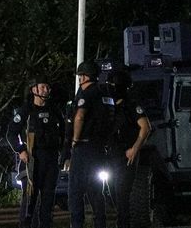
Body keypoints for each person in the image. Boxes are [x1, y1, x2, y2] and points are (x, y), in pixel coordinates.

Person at [6, 75, 65, 228]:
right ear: (34, 89)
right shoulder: (25, 110)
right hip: (32, 159)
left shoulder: (54, 110)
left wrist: (65, 153)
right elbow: (11, 133)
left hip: (51, 159)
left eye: (48, 87)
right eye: (43, 87)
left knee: (48, 202)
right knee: (29, 203)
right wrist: (21, 150)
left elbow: (64, 132)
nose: (46, 90)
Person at [63, 61, 107, 228]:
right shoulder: (104, 94)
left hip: (84, 147)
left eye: (81, 76)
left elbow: (80, 117)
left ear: (85, 76)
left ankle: (77, 225)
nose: (80, 79)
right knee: (96, 192)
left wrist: (74, 140)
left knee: (75, 192)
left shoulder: (86, 94)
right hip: (99, 149)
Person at [108, 68, 151, 228]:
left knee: (122, 194)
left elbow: (145, 127)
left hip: (126, 155)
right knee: (113, 193)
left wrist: (135, 148)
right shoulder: (108, 106)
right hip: (110, 155)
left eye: (113, 84)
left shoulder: (131, 106)